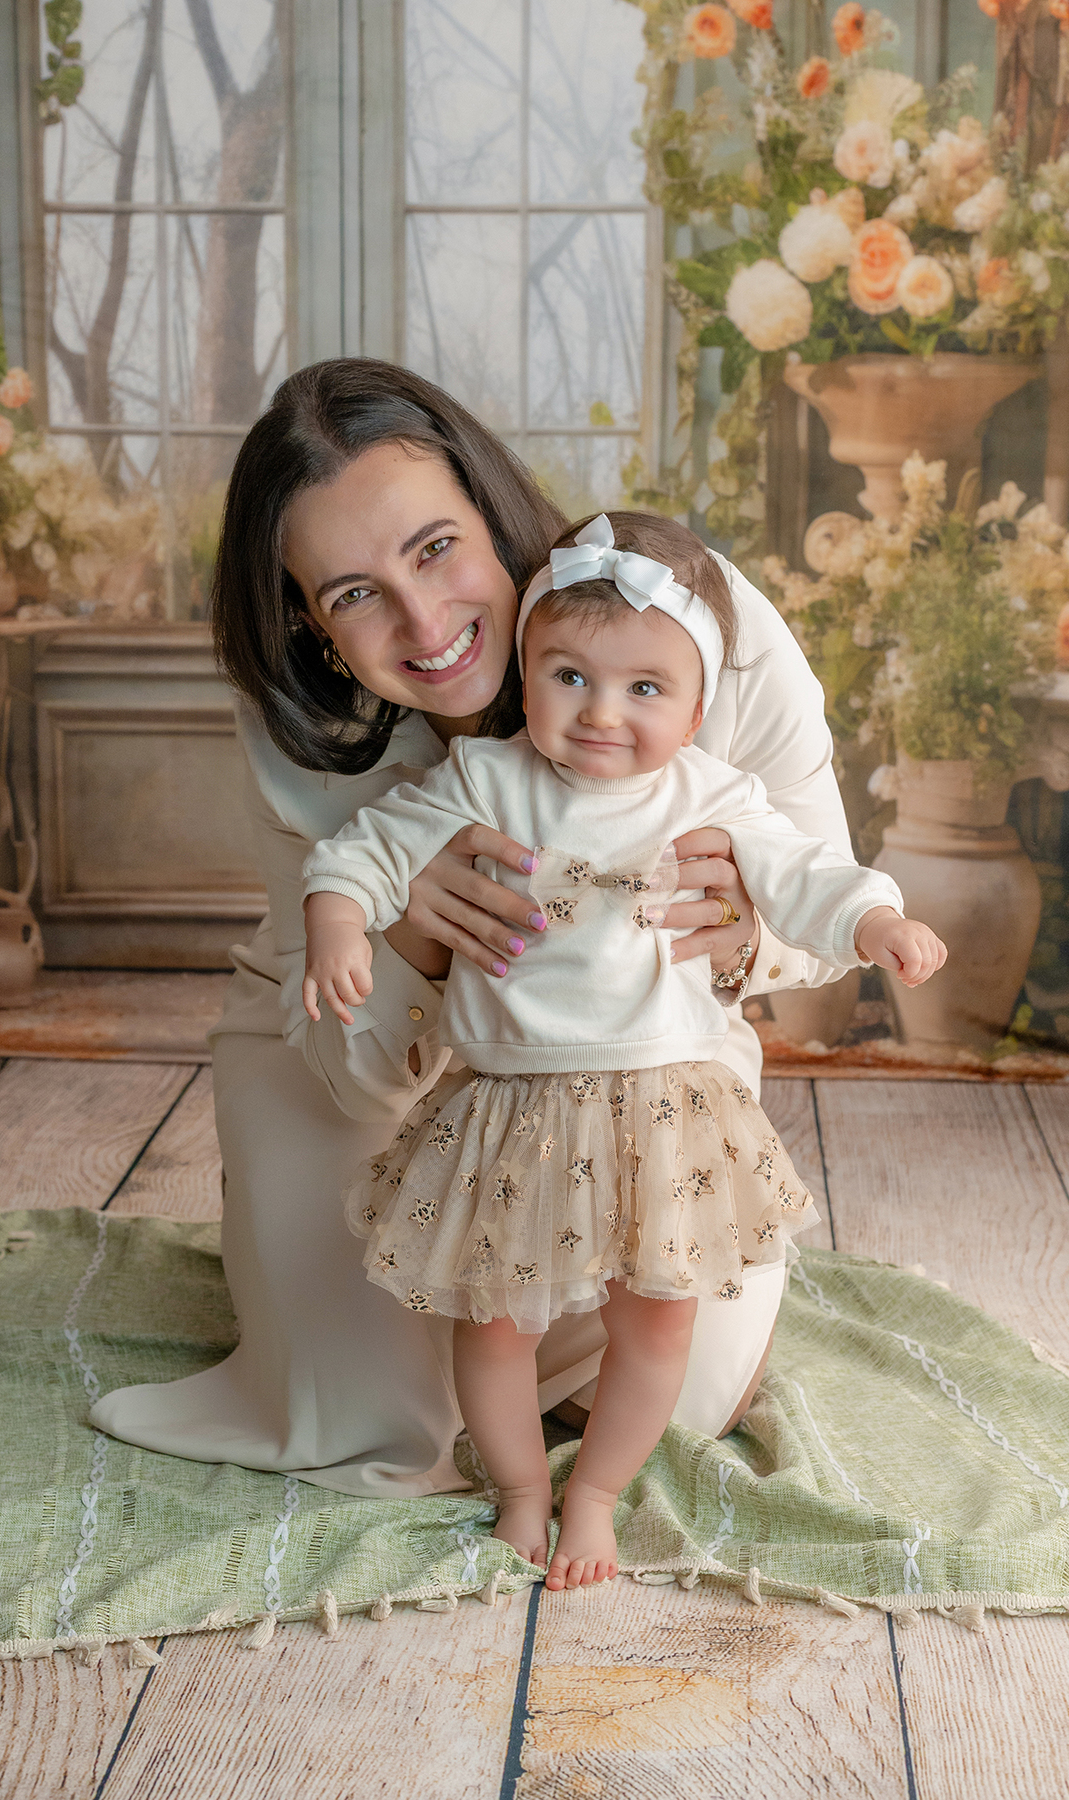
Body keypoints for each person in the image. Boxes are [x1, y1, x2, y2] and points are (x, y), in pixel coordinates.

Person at [89, 360, 867, 1498]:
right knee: (373, 1404)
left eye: (436, 548)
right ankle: (418, 1338)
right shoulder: (295, 727)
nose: (424, 622)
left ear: (494, 513)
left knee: (679, 1395)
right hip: (348, 1056)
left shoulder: (694, 625)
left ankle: (601, 1361)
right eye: (352, 594)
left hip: (635, 1057)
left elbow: (831, 903)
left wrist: (747, 925)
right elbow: (355, 1073)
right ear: (310, 623)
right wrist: (411, 939)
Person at [299, 511, 945, 1585]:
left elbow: (804, 876)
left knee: (656, 1320)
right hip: (510, 1106)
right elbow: (363, 851)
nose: (601, 713)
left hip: (663, 1109)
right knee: (495, 1319)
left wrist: (875, 921)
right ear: (526, 668)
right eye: (567, 676)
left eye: (645, 689)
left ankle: (593, 1493)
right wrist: (335, 921)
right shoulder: (487, 781)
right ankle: (518, 1488)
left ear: (696, 706)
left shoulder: (712, 795)